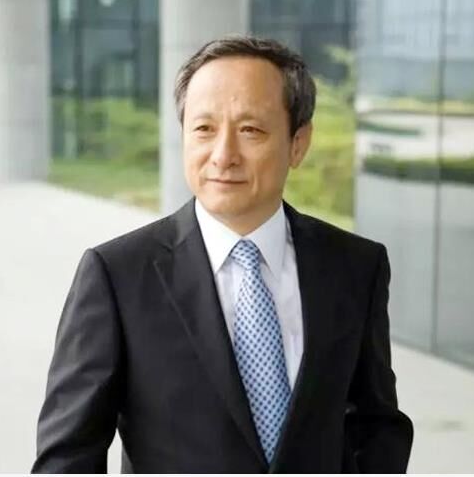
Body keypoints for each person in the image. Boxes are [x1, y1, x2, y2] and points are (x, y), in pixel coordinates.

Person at [32, 36, 413, 473]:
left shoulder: (355, 267)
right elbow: (67, 457)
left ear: (298, 143)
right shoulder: (117, 276)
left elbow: (376, 424)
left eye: (250, 130)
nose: (224, 155)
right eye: (204, 129)